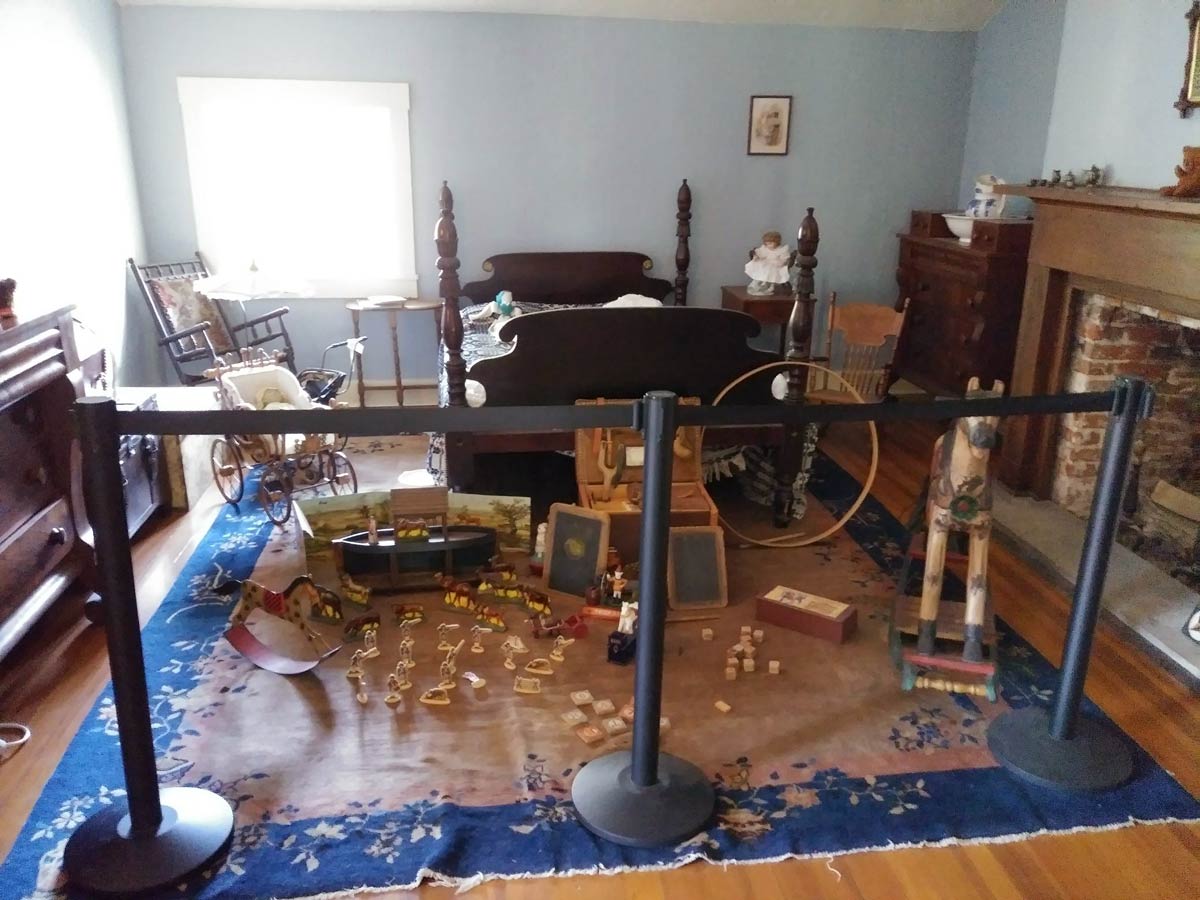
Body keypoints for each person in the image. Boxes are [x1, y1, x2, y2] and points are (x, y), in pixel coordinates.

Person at [745, 231, 792, 295]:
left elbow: (783, 260)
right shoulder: (765, 248)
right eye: (766, 244)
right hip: (766, 263)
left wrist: (780, 262)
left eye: (770, 243)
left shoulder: (781, 250)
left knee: (770, 269)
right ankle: (760, 282)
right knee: (761, 266)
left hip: (777, 265)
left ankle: (769, 285)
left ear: (777, 242)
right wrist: (756, 257)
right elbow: (759, 253)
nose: (768, 245)